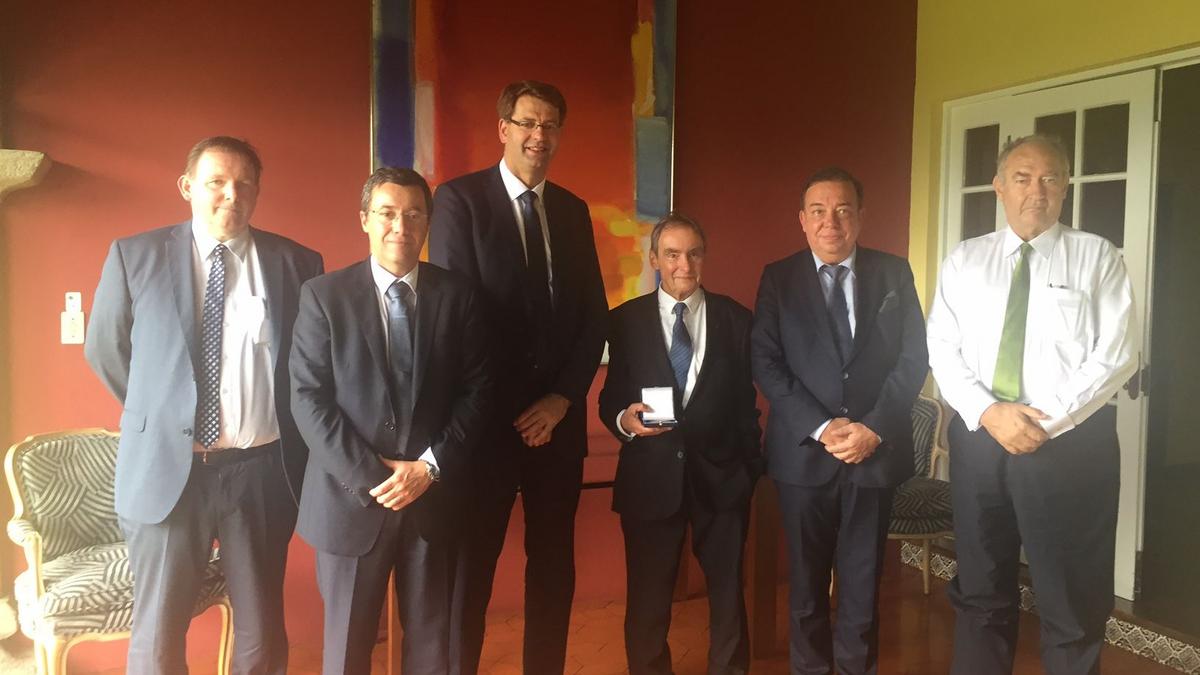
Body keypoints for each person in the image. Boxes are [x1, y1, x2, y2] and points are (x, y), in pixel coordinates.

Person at [84, 136, 323, 674]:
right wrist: (161, 416)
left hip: (260, 473)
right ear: (187, 187)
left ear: (257, 191)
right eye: (216, 181)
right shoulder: (135, 255)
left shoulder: (297, 263)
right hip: (169, 472)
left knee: (261, 627)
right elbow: (106, 350)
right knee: (158, 631)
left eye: (244, 184)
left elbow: (309, 363)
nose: (231, 194)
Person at [927, 135, 1138, 675]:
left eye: (1049, 178)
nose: (1036, 191)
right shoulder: (965, 260)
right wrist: (990, 412)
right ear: (999, 187)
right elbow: (942, 348)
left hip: (1069, 445)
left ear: (1065, 187)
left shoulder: (1097, 257)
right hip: (981, 438)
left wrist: (1046, 420)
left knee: (1071, 597)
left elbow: (1117, 354)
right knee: (980, 590)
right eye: (1022, 178)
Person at [429, 80, 608, 674]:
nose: (539, 135)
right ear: (504, 128)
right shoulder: (460, 201)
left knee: (554, 566)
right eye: (528, 123)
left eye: (550, 125)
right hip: (486, 427)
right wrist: (511, 408)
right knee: (471, 569)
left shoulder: (573, 210)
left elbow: (593, 316)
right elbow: (460, 315)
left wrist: (561, 400)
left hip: (557, 425)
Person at [289, 167, 491, 674]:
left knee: (433, 650)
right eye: (387, 213)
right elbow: (308, 399)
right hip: (350, 499)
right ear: (364, 219)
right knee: (347, 651)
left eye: (414, 214)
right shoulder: (323, 296)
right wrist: (378, 478)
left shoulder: (459, 296)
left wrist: (429, 468)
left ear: (427, 223)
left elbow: (479, 391)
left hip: (434, 500)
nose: (400, 226)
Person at [751, 167, 928, 675]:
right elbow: (766, 361)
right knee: (805, 586)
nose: (831, 222)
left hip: (873, 452)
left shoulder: (894, 273)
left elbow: (913, 358)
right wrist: (823, 427)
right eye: (819, 211)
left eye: (843, 210)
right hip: (803, 456)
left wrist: (873, 427)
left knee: (862, 584)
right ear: (802, 220)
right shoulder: (778, 278)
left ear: (860, 217)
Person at [598, 213, 761, 675]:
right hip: (650, 480)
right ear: (654, 259)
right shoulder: (624, 321)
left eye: (693, 253)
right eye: (672, 254)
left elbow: (746, 404)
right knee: (648, 601)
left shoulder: (736, 319)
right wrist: (625, 420)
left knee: (727, 596)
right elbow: (610, 399)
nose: (683, 265)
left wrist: (748, 473)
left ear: (704, 257)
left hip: (723, 481)